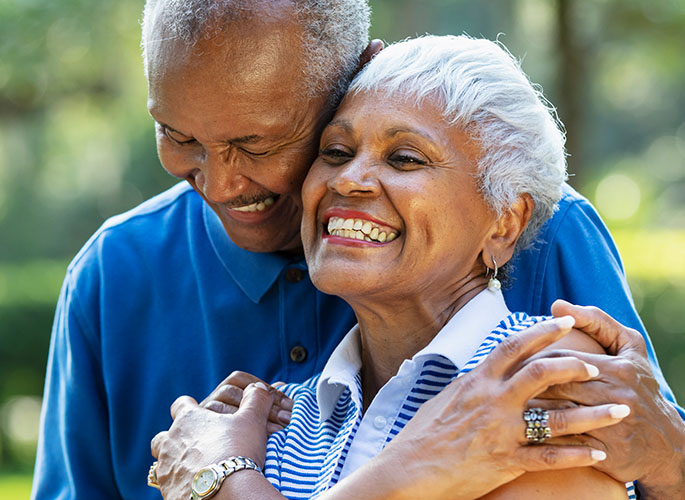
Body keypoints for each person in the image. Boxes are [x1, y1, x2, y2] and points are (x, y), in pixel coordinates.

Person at [31, 1, 684, 499]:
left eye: (259, 143)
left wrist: (223, 482)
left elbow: (617, 436)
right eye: (178, 136)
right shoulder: (271, 415)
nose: (222, 182)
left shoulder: (536, 354)